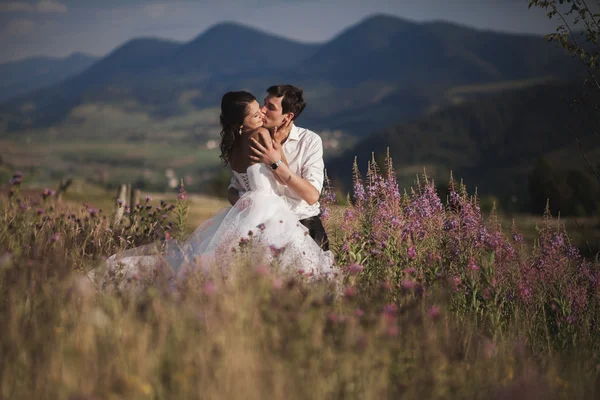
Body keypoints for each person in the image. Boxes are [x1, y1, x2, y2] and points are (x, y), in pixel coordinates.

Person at [96, 91, 335, 289]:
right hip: (269, 210)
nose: (261, 113)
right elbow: (281, 177)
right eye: (256, 112)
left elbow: (237, 187)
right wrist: (275, 142)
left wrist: (244, 200)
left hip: (247, 208)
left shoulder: (232, 147)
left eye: (263, 108)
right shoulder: (262, 135)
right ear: (242, 123)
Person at [227, 85, 330, 251]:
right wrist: (251, 207)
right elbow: (234, 188)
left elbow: (311, 196)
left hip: (305, 224)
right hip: (263, 227)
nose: (262, 110)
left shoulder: (309, 141)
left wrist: (276, 161)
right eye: (264, 103)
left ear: (287, 116)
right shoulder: (254, 136)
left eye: (271, 107)